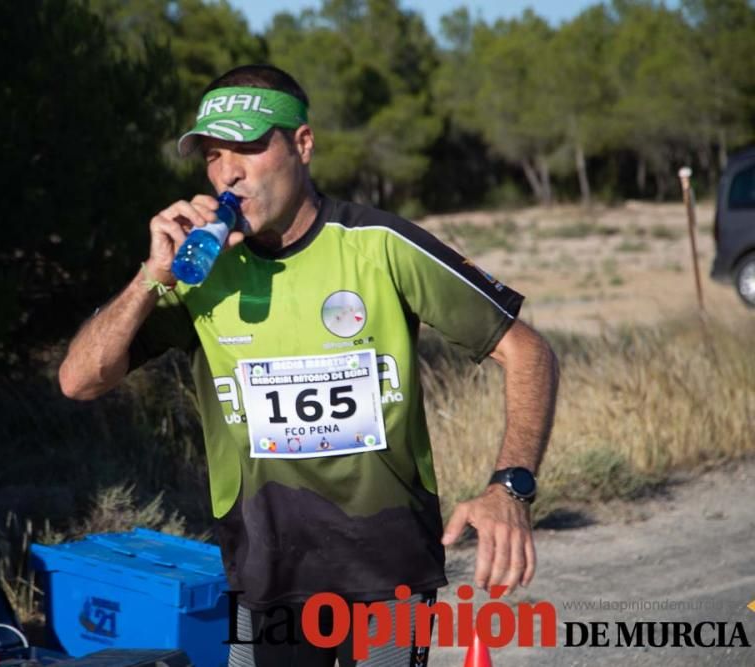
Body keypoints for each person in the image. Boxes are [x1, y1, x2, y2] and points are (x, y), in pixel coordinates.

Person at [59, 64, 559, 666]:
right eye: (214, 156)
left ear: (303, 145)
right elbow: (79, 381)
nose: (228, 172)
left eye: (248, 147)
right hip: (263, 574)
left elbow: (526, 350)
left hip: (386, 573)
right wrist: (149, 278)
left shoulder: (378, 245)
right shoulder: (199, 271)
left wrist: (510, 487)